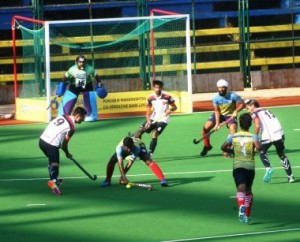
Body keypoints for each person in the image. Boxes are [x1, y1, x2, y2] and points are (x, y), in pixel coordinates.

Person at [221, 113, 261, 224]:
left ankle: (241, 205)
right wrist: (258, 146)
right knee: (248, 190)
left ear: (240, 124)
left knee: (240, 189)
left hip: (238, 166)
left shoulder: (233, 136)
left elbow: (223, 147)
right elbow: (258, 147)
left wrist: (231, 151)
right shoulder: (253, 136)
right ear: (249, 125)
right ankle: (247, 215)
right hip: (250, 166)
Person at [39, 106, 87, 196]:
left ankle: (55, 179)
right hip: (51, 144)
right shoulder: (72, 127)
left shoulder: (63, 116)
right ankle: (53, 182)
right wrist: (67, 153)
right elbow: (65, 144)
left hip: (42, 141)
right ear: (77, 116)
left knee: (52, 160)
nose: (83, 120)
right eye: (83, 118)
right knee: (55, 163)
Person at [245, 99, 295, 183]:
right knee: (281, 154)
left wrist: (255, 137)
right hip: (280, 133)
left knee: (261, 151)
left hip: (269, 135)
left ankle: (268, 168)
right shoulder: (266, 110)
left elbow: (257, 125)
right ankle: (290, 176)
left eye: (247, 108)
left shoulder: (254, 113)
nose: (247, 110)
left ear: (253, 106)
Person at [199, 79, 245, 158]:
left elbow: (242, 104)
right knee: (206, 128)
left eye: (223, 87)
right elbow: (216, 111)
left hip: (230, 115)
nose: (221, 89)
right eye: (219, 88)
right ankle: (207, 146)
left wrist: (236, 111)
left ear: (226, 88)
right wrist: (217, 123)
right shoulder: (215, 98)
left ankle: (226, 149)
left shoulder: (233, 96)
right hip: (219, 114)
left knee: (233, 130)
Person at [100, 136, 168, 187]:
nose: (129, 150)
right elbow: (120, 164)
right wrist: (124, 178)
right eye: (127, 148)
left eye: (130, 147)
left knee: (148, 161)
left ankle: (163, 179)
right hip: (124, 150)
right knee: (111, 162)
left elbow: (130, 163)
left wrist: (122, 177)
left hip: (140, 145)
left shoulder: (136, 148)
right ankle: (107, 180)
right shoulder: (119, 149)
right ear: (124, 146)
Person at [56, 55, 107, 121]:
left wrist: (99, 84)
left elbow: (96, 76)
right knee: (70, 97)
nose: (82, 64)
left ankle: (92, 115)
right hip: (74, 86)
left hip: (87, 85)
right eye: (80, 62)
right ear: (76, 62)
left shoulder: (90, 69)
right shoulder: (72, 70)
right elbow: (65, 77)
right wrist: (62, 85)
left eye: (83, 62)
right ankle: (62, 115)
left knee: (89, 97)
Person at [134, 80, 177, 157]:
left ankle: (150, 153)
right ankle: (140, 150)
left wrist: (169, 110)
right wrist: (148, 122)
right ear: (153, 88)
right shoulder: (150, 98)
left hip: (163, 119)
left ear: (161, 88)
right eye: (156, 87)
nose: (158, 89)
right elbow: (148, 112)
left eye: (159, 87)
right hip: (153, 118)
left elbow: (175, 107)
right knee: (139, 132)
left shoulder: (167, 97)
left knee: (155, 133)